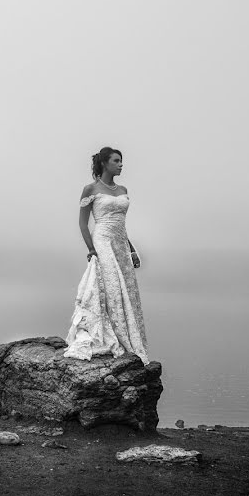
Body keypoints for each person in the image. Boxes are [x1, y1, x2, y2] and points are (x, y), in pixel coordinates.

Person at [63, 147, 150, 364]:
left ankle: (126, 338)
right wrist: (91, 249)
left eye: (121, 161)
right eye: (117, 160)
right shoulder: (90, 188)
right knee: (109, 286)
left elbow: (121, 226)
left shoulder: (122, 188)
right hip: (101, 240)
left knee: (125, 290)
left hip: (120, 243)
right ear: (104, 163)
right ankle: (109, 336)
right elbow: (83, 224)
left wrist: (131, 249)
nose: (121, 164)